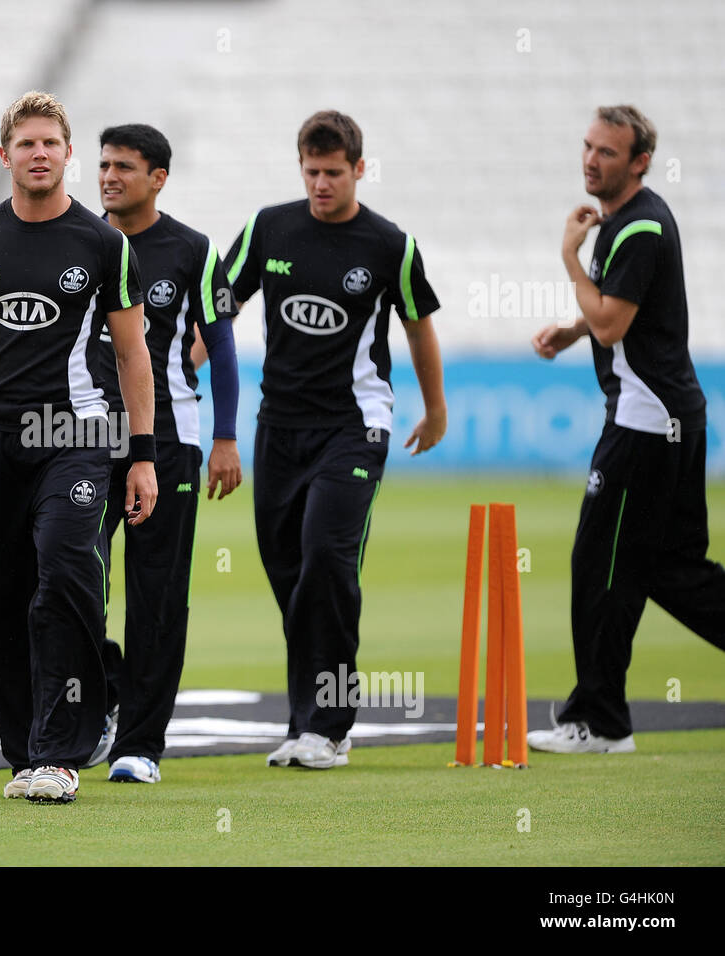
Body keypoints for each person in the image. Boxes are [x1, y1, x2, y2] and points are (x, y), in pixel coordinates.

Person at [0, 91, 158, 803]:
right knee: (3, 601)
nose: (40, 153)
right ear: (7, 156)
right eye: (26, 143)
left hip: (79, 435)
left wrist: (140, 453)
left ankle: (62, 749)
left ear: (68, 152)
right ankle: (25, 750)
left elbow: (133, 354)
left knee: (64, 570)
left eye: (51, 142)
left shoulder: (103, 245)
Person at [222, 110, 446, 770]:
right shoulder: (269, 228)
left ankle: (329, 725)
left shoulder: (389, 246)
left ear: (359, 169)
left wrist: (434, 411)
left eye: (333, 173)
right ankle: (307, 722)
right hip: (278, 427)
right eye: (311, 171)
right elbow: (221, 308)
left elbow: (418, 326)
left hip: (355, 427)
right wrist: (183, 369)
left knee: (326, 560)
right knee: (290, 576)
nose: (321, 184)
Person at [528, 105, 725, 753]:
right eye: (587, 146)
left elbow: (613, 323)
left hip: (646, 422)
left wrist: (568, 257)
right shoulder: (630, 222)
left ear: (639, 161)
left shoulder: (638, 227)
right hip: (668, 418)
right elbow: (622, 311)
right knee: (671, 569)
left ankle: (600, 722)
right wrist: (573, 328)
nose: (591, 159)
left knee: (600, 563)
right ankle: (601, 715)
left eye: (607, 152)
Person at [89, 123, 241, 784]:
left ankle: (140, 745)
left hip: (170, 441)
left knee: (157, 595)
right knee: (64, 584)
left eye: (125, 165)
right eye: (103, 164)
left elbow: (223, 347)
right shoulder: (77, 239)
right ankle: (105, 687)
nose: (109, 176)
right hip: (82, 441)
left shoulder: (193, 251)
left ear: (159, 178)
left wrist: (227, 437)